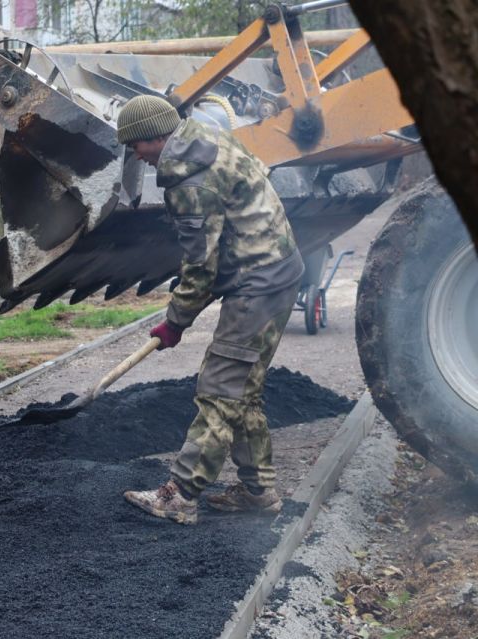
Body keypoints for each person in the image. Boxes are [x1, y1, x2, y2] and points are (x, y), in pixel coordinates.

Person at [116, 94, 305, 525]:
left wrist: (175, 322)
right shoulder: (205, 135)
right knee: (242, 391)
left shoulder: (190, 182)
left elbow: (201, 267)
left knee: (219, 390)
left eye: (136, 145)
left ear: (155, 137)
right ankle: (259, 492)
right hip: (276, 270)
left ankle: (180, 495)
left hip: (258, 285)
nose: (135, 155)